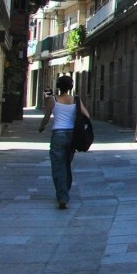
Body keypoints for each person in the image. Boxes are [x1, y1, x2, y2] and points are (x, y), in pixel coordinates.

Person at [38, 75, 90, 209]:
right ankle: (65, 191)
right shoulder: (75, 100)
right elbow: (87, 115)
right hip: (72, 136)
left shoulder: (52, 100)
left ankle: (62, 197)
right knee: (67, 164)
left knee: (58, 166)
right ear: (71, 86)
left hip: (58, 135)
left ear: (58, 86)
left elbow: (46, 117)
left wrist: (42, 127)